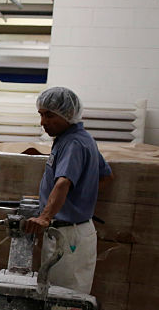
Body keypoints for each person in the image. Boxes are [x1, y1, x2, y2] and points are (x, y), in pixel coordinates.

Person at [22, 86, 114, 294]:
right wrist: (79, 197)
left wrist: (45, 217)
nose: (43, 122)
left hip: (68, 235)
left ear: (68, 114)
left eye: (49, 115)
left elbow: (63, 183)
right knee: (62, 295)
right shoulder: (81, 138)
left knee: (62, 298)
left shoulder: (72, 143)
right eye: (41, 115)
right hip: (74, 229)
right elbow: (106, 176)